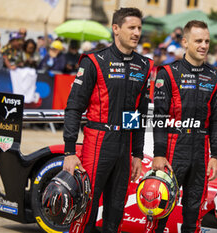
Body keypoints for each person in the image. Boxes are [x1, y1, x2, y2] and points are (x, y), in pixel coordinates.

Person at [62, 7, 154, 233]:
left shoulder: (144, 65)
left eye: (139, 28)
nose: (136, 33)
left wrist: (137, 154)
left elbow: (138, 113)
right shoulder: (94, 61)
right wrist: (69, 151)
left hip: (125, 144)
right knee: (87, 207)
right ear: (116, 29)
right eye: (131, 27)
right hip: (98, 139)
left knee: (116, 210)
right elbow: (74, 108)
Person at [146, 20, 217, 232]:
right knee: (159, 209)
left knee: (194, 212)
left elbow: (216, 119)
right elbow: (159, 117)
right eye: (198, 40)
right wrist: (159, 154)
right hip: (173, 148)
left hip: (201, 151)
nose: (203, 45)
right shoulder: (168, 73)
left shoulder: (215, 76)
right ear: (185, 42)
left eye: (207, 41)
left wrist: (215, 154)